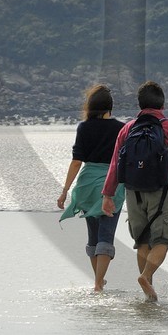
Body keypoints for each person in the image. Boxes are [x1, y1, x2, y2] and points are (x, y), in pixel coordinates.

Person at [102, 81, 168, 301]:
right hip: (161, 190)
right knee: (162, 240)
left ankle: (148, 293)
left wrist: (108, 194)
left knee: (142, 241)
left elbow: (116, 163)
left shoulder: (128, 128)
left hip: (133, 190)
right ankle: (145, 277)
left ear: (140, 103)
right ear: (162, 104)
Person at [56, 83, 125, 291]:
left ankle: (98, 281)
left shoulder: (83, 127)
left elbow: (77, 161)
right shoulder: (121, 127)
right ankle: (98, 283)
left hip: (87, 183)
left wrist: (65, 190)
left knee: (93, 236)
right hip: (111, 184)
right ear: (110, 107)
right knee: (106, 234)